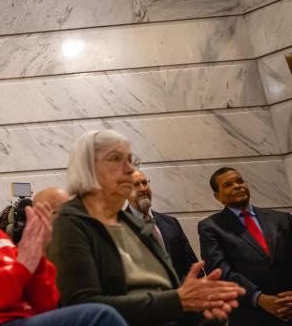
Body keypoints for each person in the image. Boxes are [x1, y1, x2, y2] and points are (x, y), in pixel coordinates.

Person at [0, 131, 128, 326]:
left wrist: (37, 260)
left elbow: (47, 305)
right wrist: (22, 268)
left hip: (24, 320)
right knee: (100, 317)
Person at [47, 129, 243, 326]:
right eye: (116, 159)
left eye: (131, 161)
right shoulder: (70, 223)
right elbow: (84, 307)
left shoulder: (136, 224)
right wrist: (179, 301)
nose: (130, 169)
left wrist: (201, 303)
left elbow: (171, 293)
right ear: (88, 168)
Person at [198, 167, 292, 325]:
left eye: (240, 181)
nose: (237, 186)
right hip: (250, 314)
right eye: (228, 185)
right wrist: (259, 298)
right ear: (217, 196)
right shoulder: (211, 227)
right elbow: (219, 270)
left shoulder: (282, 219)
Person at [124, 170, 198, 281]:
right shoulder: (118, 226)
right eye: (136, 185)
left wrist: (182, 290)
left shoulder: (171, 222)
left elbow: (191, 263)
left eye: (145, 183)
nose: (143, 188)